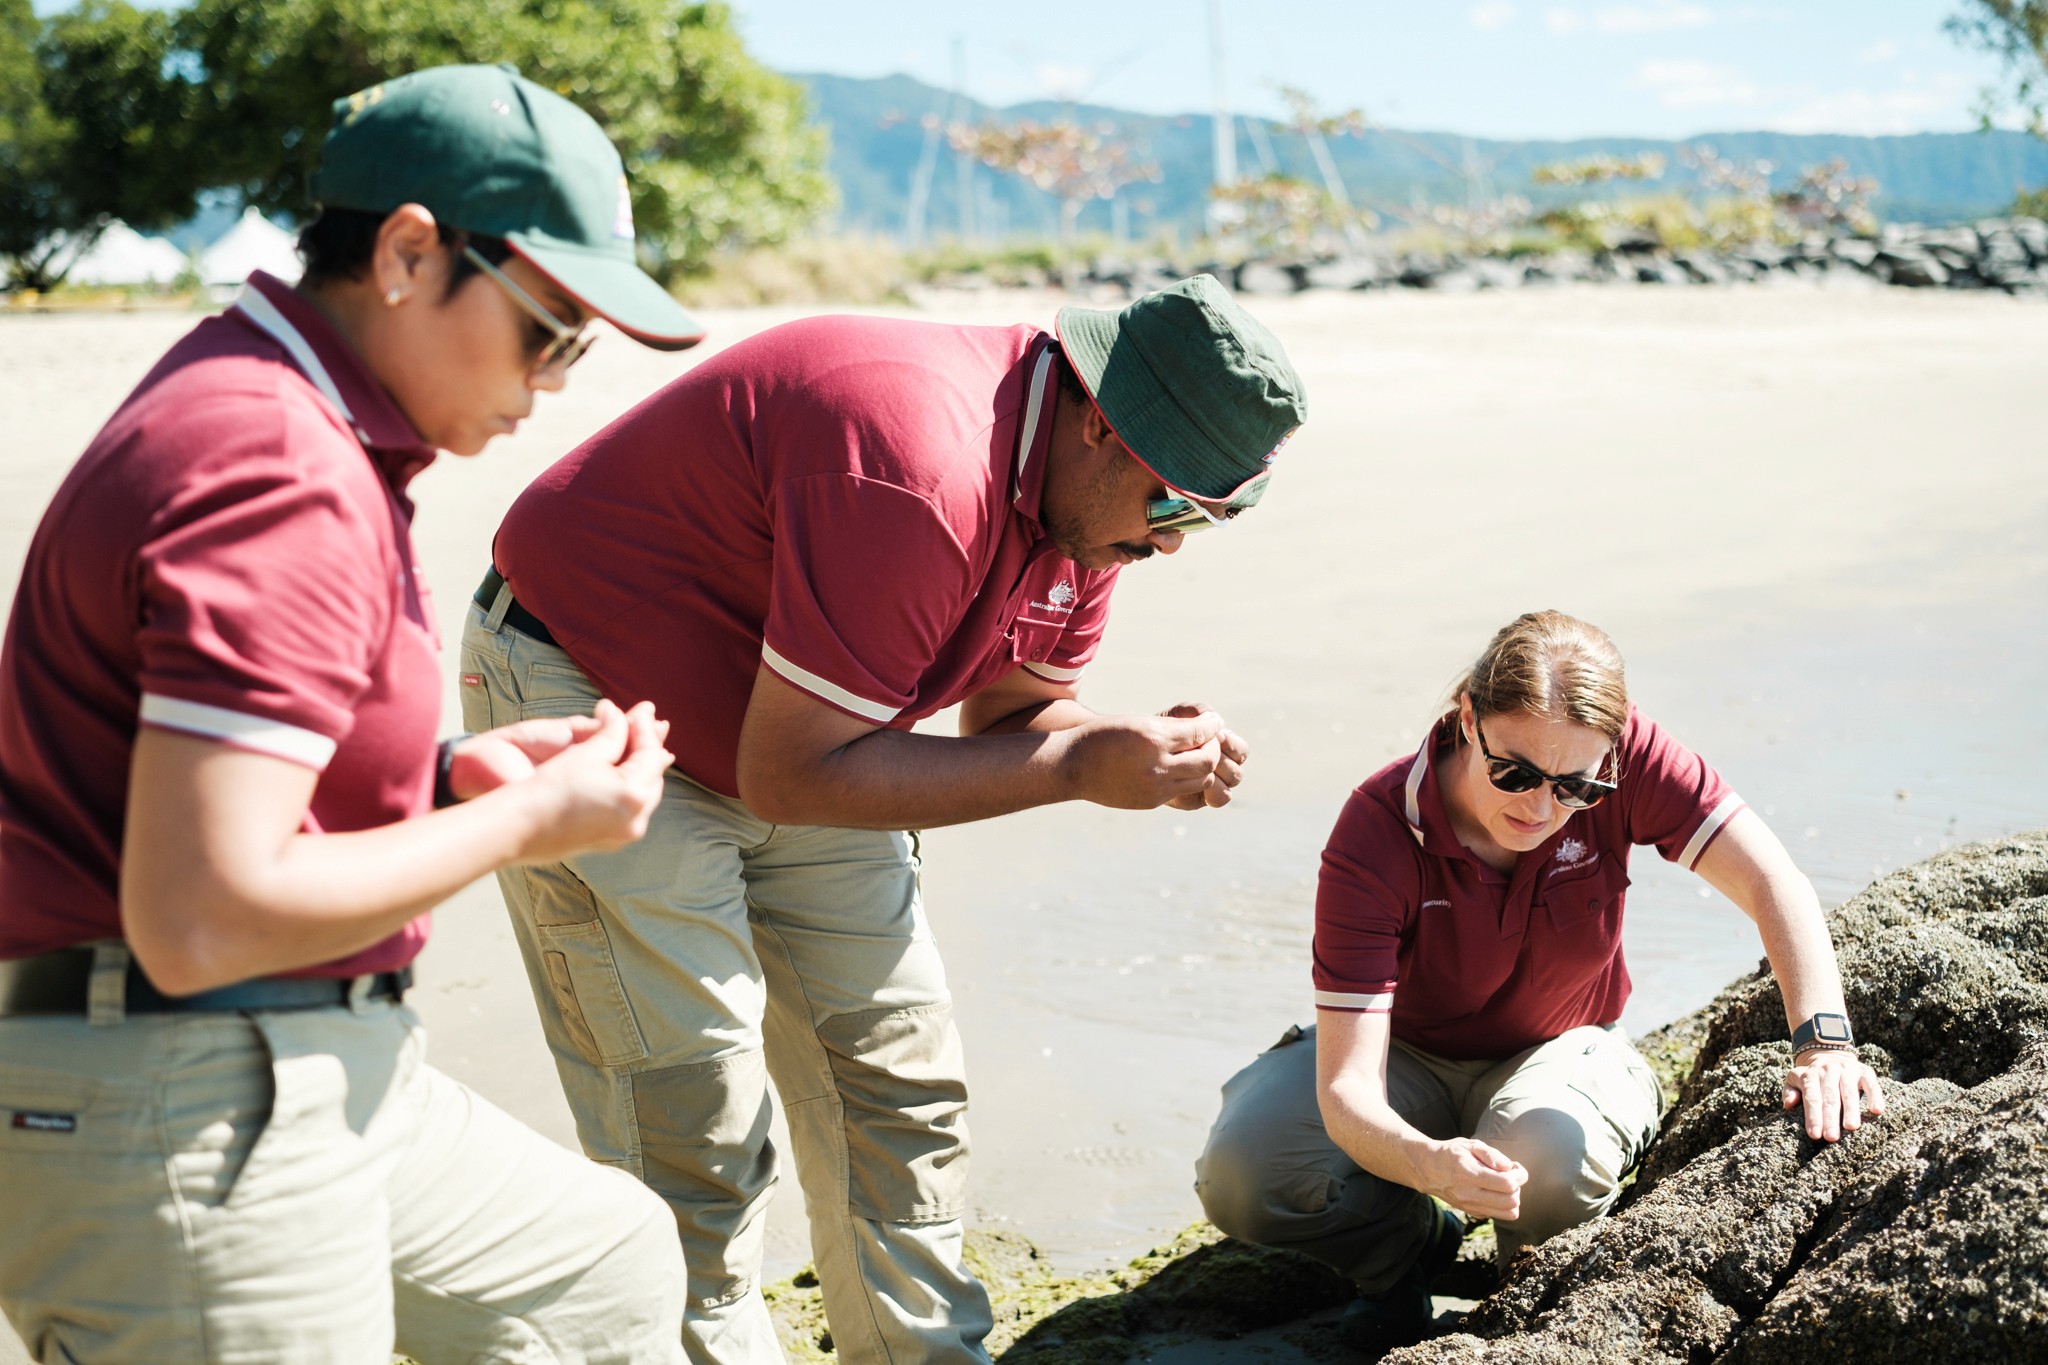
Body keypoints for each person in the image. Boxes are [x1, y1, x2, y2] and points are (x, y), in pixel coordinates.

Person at [458, 275, 1306, 1363]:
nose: (1174, 544)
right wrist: (1082, 766)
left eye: (1209, 517)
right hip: (594, 687)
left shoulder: (1085, 510)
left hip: (810, 720)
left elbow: (1014, 714)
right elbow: (796, 777)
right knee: (691, 1114)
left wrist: (1118, 744)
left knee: (899, 1077)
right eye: (1176, 506)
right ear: (1100, 419)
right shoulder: (921, 465)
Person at [0, 64, 708, 1364]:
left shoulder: (274, 410)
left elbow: (183, 770)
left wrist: (447, 783)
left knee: (603, 1267)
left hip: (290, 1059)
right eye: (550, 327)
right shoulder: (276, 464)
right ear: (405, 252)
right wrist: (534, 823)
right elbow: (203, 913)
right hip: (188, 1092)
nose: (557, 380)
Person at [1193, 610, 1887, 1356]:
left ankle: (1526, 1295)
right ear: (1468, 719)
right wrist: (1426, 1164)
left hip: (1566, 1047)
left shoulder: (1631, 760)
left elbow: (1770, 878)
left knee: (1539, 1150)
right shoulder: (1377, 828)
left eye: (1574, 788)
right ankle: (1404, 1260)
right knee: (1244, 1169)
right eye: (1515, 773)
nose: (1539, 807)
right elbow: (1348, 1092)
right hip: (1408, 1057)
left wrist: (1826, 1044)